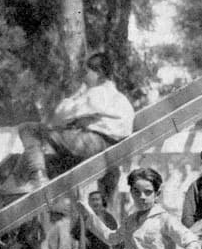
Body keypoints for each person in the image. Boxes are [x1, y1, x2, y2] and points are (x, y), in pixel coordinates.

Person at [13, 52, 135, 191]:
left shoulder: (98, 92)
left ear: (99, 73)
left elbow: (60, 115)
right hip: (110, 149)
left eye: (87, 72)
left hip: (92, 145)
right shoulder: (121, 99)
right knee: (52, 158)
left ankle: (38, 176)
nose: (84, 77)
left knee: (28, 128)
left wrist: (77, 94)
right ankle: (31, 177)